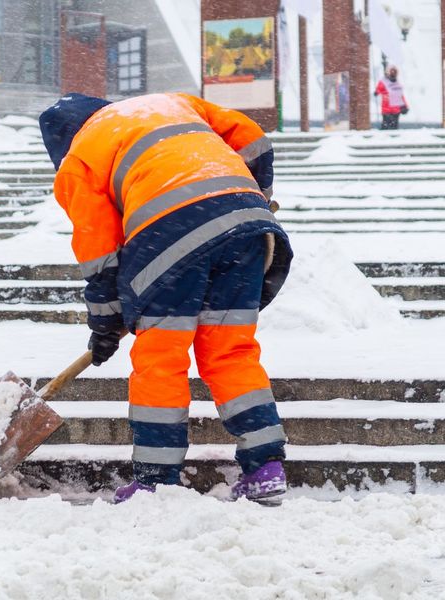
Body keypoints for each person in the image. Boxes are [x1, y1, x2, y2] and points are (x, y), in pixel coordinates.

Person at [39, 92, 293, 504]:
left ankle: (156, 481)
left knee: (162, 358)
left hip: (167, 236)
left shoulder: (78, 161)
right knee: (231, 352)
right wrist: (257, 194)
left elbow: (100, 255)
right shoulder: (171, 103)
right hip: (248, 229)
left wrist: (105, 325)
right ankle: (265, 467)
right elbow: (253, 140)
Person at [374, 65, 409, 130]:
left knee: (394, 128)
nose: (393, 73)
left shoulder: (397, 83)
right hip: (387, 110)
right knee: (386, 127)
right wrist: (377, 92)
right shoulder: (383, 82)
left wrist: (404, 106)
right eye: (391, 72)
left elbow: (400, 96)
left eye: (394, 72)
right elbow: (378, 90)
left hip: (396, 110)